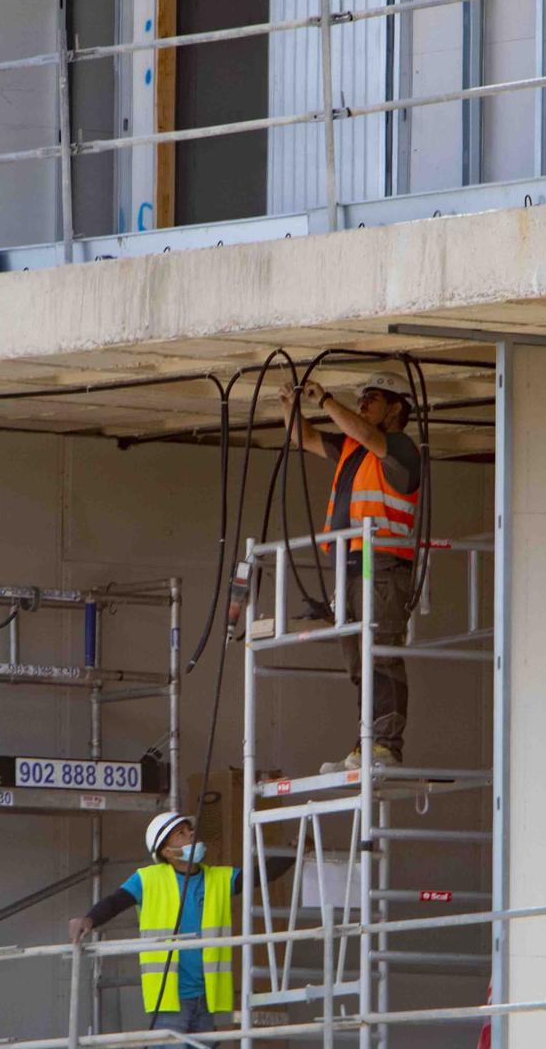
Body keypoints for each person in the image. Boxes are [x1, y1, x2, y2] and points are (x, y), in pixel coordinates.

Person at [279, 371, 423, 772]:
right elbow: (304, 438)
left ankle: (386, 746)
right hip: (351, 565)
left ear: (395, 409)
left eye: (372, 398)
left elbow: (367, 435)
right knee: (360, 662)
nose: (363, 404)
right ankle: (367, 742)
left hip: (381, 565)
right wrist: (288, 405)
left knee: (381, 655)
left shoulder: (400, 449)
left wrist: (325, 399)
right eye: (360, 399)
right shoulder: (353, 449)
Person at [68, 812, 294, 1034]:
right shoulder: (148, 879)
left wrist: (295, 848)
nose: (192, 834)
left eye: (190, 830)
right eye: (181, 833)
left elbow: (261, 875)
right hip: (170, 998)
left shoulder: (219, 878)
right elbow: (115, 902)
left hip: (207, 996)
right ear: (167, 851)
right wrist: (89, 919)